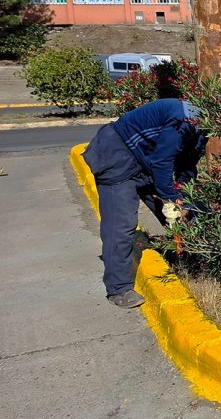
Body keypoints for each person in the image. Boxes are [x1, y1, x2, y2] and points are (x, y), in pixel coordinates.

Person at [83, 98, 207, 308]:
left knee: (187, 210)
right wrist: (171, 197)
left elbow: (188, 164)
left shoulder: (203, 128)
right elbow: (162, 162)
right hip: (117, 156)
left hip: (146, 160)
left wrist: (183, 198)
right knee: (120, 225)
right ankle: (119, 289)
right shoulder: (184, 121)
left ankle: (194, 262)